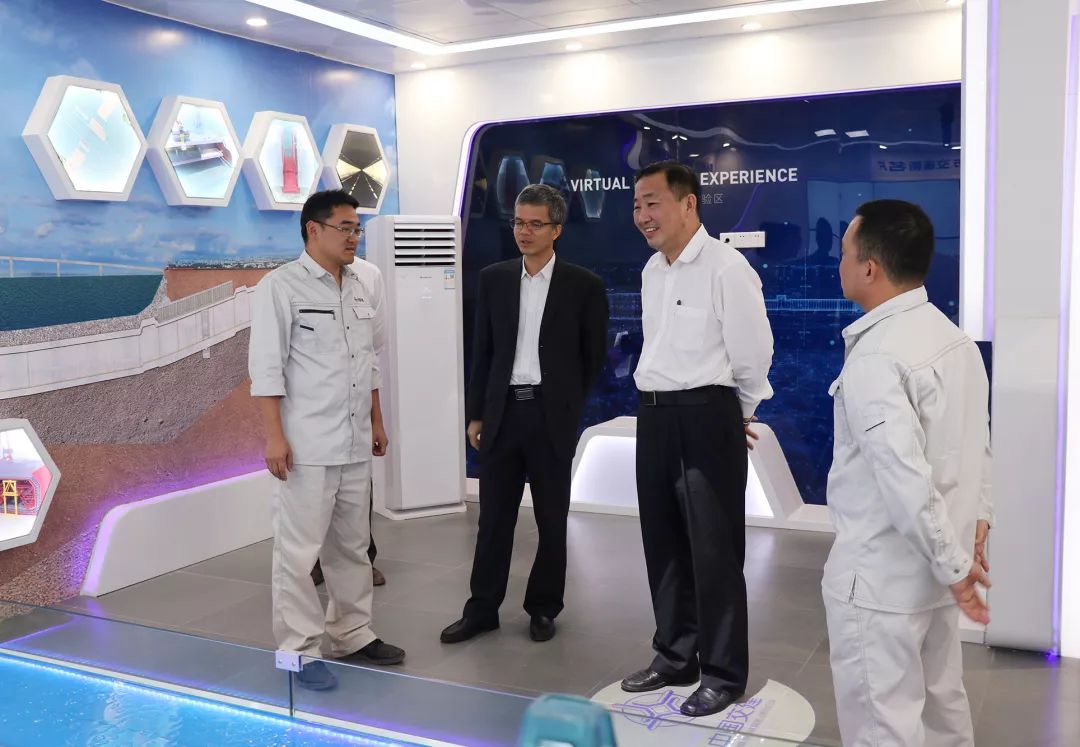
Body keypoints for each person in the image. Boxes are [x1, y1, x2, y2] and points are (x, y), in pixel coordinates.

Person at [823, 199, 992, 746]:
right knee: (944, 711)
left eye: (845, 253)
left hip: (882, 581)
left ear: (870, 267)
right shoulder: (954, 339)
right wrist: (968, 538)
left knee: (883, 725)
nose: (840, 263)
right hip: (936, 572)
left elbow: (904, 478)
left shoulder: (877, 357)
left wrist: (955, 566)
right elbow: (978, 447)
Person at [620, 161, 774, 718]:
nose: (643, 215)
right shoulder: (651, 271)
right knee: (662, 543)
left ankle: (724, 672)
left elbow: (754, 350)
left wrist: (737, 412)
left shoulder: (726, 268)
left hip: (707, 416)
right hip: (655, 416)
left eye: (653, 203)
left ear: (688, 205)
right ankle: (675, 654)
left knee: (714, 551)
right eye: (637, 205)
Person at [249, 189, 405, 691]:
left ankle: (353, 633)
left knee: (352, 547)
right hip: (307, 446)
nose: (354, 237)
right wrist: (274, 437)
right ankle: (298, 651)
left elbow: (368, 361)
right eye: (345, 228)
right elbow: (266, 370)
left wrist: (377, 421)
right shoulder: (280, 288)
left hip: (355, 440)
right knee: (298, 555)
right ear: (313, 230)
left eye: (357, 229)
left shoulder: (360, 285)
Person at [440, 184, 608, 645]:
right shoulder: (494, 279)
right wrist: (476, 414)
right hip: (502, 415)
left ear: (557, 230)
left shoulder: (583, 285)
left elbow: (592, 357)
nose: (524, 231)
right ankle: (482, 609)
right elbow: (483, 352)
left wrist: (567, 404)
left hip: (551, 416)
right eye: (518, 222)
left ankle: (543, 608)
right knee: (494, 520)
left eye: (535, 224)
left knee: (552, 520)